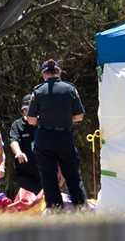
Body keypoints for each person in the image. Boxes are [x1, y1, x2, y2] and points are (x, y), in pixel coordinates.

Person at [26, 59, 88, 210]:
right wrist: (64, 119)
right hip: (64, 136)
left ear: (44, 74)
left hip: (45, 137)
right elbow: (79, 116)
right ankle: (81, 207)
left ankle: (55, 210)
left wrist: (46, 120)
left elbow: (31, 120)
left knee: (48, 175)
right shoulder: (70, 89)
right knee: (72, 173)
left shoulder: (38, 91)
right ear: (59, 72)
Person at [9, 94, 43, 195]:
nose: (28, 112)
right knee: (29, 202)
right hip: (26, 173)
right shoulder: (17, 125)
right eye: (25, 109)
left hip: (44, 171)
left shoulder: (44, 123)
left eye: (31, 109)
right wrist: (19, 152)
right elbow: (13, 141)